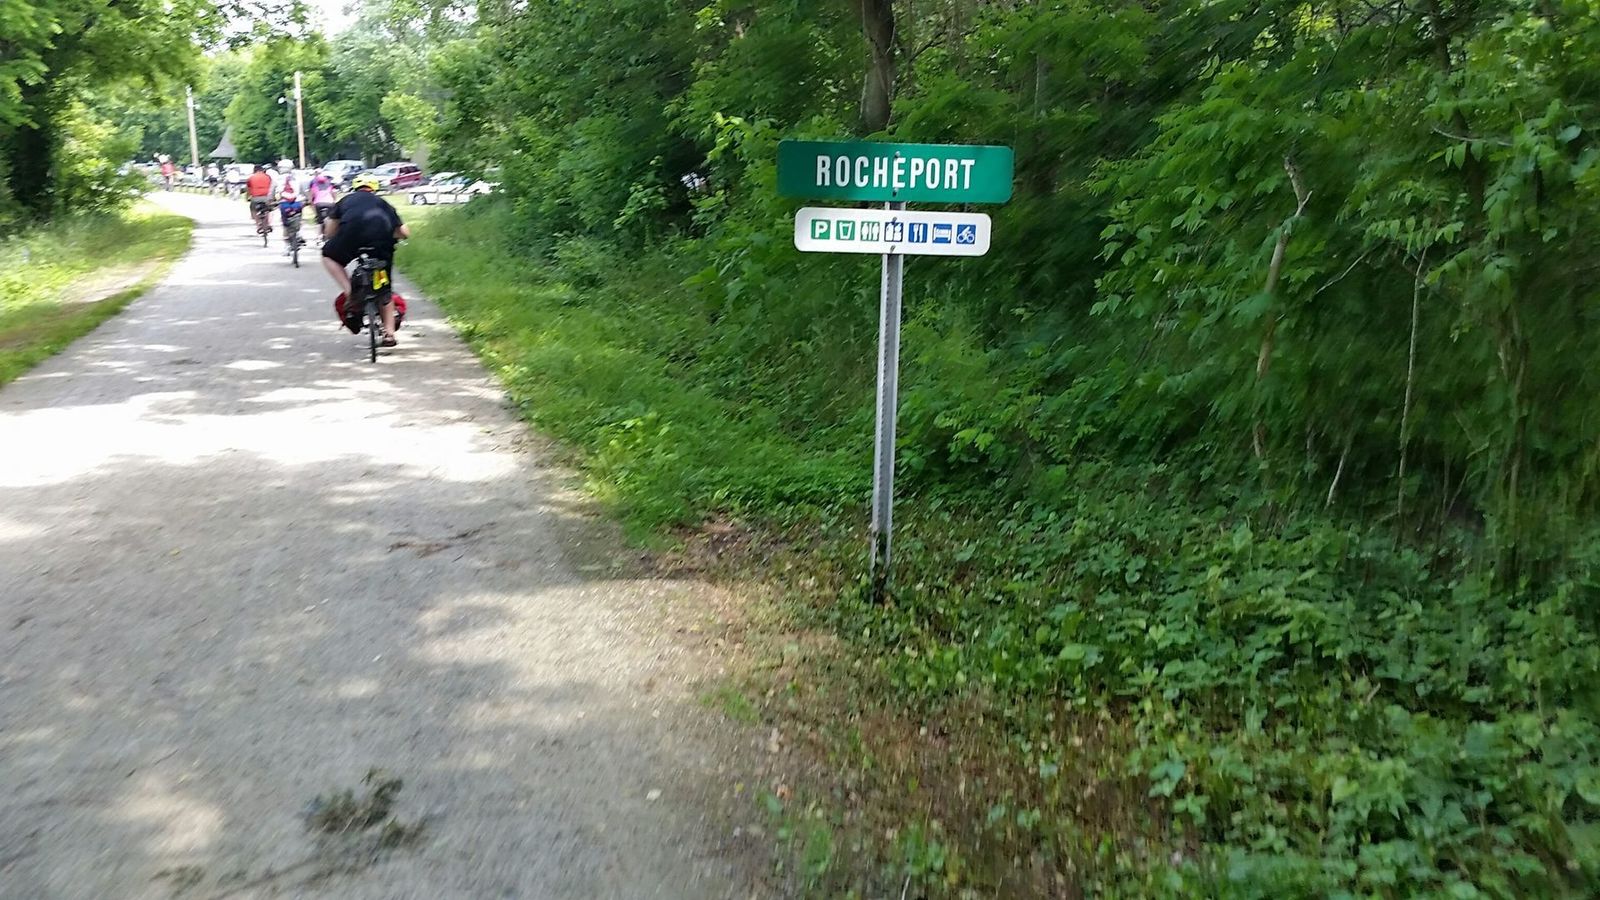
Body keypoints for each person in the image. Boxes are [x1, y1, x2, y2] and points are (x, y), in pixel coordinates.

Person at [322, 172, 409, 346]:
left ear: (355, 187)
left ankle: (350, 292)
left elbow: (329, 232)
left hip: (351, 237)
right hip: (381, 243)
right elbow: (404, 233)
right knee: (385, 288)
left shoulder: (345, 201)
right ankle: (389, 334)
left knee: (328, 256)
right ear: (374, 188)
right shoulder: (384, 204)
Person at [307, 170, 339, 240]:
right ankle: (330, 234)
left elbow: (311, 196)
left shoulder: (314, 185)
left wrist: (311, 202)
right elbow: (333, 193)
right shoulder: (329, 185)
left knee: (319, 220)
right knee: (330, 218)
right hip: (330, 203)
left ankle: (319, 236)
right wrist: (334, 200)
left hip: (318, 203)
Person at [245, 164, 274, 233]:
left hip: (256, 198)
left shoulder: (251, 178)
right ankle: (268, 224)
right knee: (269, 210)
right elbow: (271, 187)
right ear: (262, 170)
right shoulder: (267, 177)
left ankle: (258, 224)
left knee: (253, 209)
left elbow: (248, 189)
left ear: (254, 170)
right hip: (266, 197)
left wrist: (247, 197)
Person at [278, 186, 306, 255]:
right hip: (297, 216)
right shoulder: (298, 200)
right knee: (299, 220)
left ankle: (287, 246)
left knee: (285, 228)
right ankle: (298, 235)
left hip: (286, 219)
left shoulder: (282, 202)